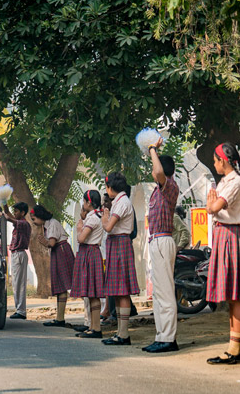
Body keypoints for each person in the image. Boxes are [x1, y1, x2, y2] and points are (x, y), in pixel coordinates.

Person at [205, 142, 240, 365]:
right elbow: (211, 207)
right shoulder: (225, 181)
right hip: (224, 235)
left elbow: (213, 207)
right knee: (232, 295)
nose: (214, 164)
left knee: (237, 295)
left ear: (223, 160)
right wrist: (211, 205)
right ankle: (233, 348)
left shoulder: (235, 182)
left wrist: (212, 204)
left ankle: (236, 350)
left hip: (231, 235)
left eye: (215, 160)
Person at [142, 139, 180, 353]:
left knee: (165, 292)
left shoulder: (169, 186)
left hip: (163, 240)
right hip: (156, 241)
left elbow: (158, 172)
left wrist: (152, 149)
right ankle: (161, 335)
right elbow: (157, 172)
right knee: (158, 293)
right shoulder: (158, 190)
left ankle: (168, 338)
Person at [101, 172, 139, 345]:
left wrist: (104, 215)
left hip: (120, 244)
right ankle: (120, 332)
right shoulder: (120, 201)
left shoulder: (122, 202)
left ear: (110, 187)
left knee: (122, 290)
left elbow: (108, 227)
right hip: (117, 244)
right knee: (117, 291)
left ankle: (124, 334)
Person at [31, 205, 75, 327]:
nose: (34, 222)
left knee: (67, 283)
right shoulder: (46, 225)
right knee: (60, 286)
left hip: (61, 251)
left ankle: (86, 317)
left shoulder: (53, 223)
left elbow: (51, 243)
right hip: (58, 252)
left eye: (34, 219)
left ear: (40, 216)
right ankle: (59, 318)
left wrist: (44, 242)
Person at [71, 191, 106, 339]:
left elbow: (81, 238)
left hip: (90, 253)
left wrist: (79, 229)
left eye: (84, 202)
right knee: (92, 294)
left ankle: (96, 328)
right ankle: (92, 326)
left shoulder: (92, 219)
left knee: (93, 294)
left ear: (89, 203)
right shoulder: (96, 216)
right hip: (91, 253)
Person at [2, 202, 31, 319]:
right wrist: (4, 205)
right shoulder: (20, 223)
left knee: (19, 283)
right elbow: (8, 214)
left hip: (19, 254)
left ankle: (21, 311)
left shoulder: (24, 224)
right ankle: (19, 309)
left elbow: (8, 217)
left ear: (23, 213)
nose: (15, 213)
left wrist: (0, 211)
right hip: (15, 254)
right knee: (16, 283)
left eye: (17, 211)